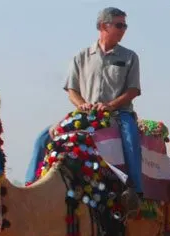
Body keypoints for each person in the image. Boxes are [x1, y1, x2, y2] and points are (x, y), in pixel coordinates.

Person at [27, 7, 143, 209]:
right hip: (85, 113)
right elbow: (71, 89)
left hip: (118, 113)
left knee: (131, 139)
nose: (124, 29)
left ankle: (135, 190)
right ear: (102, 26)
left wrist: (109, 105)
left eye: (124, 25)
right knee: (42, 138)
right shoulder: (81, 56)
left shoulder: (130, 57)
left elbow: (133, 90)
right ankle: (31, 187)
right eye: (119, 25)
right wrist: (82, 104)